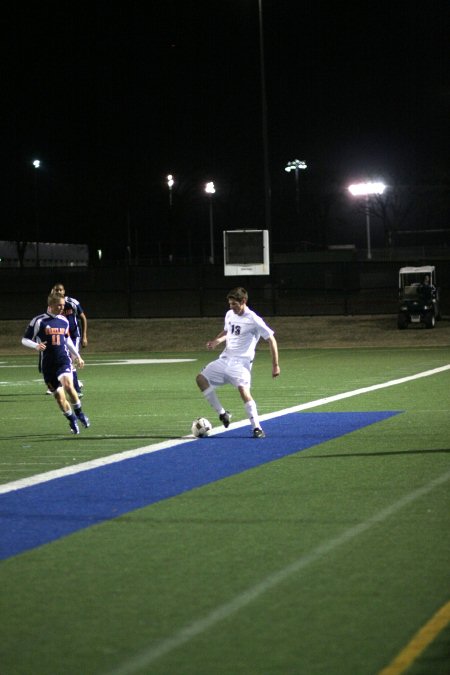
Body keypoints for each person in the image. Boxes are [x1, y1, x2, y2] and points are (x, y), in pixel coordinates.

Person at [195, 286, 280, 438]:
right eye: (230, 304)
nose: (231, 307)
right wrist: (217, 341)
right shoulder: (229, 314)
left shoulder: (253, 319)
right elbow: (228, 331)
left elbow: (271, 339)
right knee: (201, 379)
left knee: (243, 391)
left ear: (244, 301)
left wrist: (275, 365)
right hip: (225, 359)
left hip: (241, 364)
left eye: (234, 304)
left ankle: (257, 428)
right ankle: (223, 414)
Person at [22, 293, 90, 435]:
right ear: (50, 305)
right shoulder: (39, 321)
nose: (61, 308)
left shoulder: (63, 321)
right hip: (48, 365)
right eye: (59, 305)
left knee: (68, 385)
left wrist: (77, 356)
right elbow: (25, 339)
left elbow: (67, 340)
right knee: (59, 398)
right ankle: (71, 419)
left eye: (63, 306)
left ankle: (80, 413)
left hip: (63, 360)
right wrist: (35, 346)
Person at [50, 282, 88, 395]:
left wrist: (84, 336)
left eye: (60, 290)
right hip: (61, 336)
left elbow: (83, 318)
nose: (58, 292)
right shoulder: (53, 306)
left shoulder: (72, 302)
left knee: (72, 360)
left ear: (64, 291)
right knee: (62, 360)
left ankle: (77, 389)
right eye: (56, 290)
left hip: (73, 336)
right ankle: (65, 383)